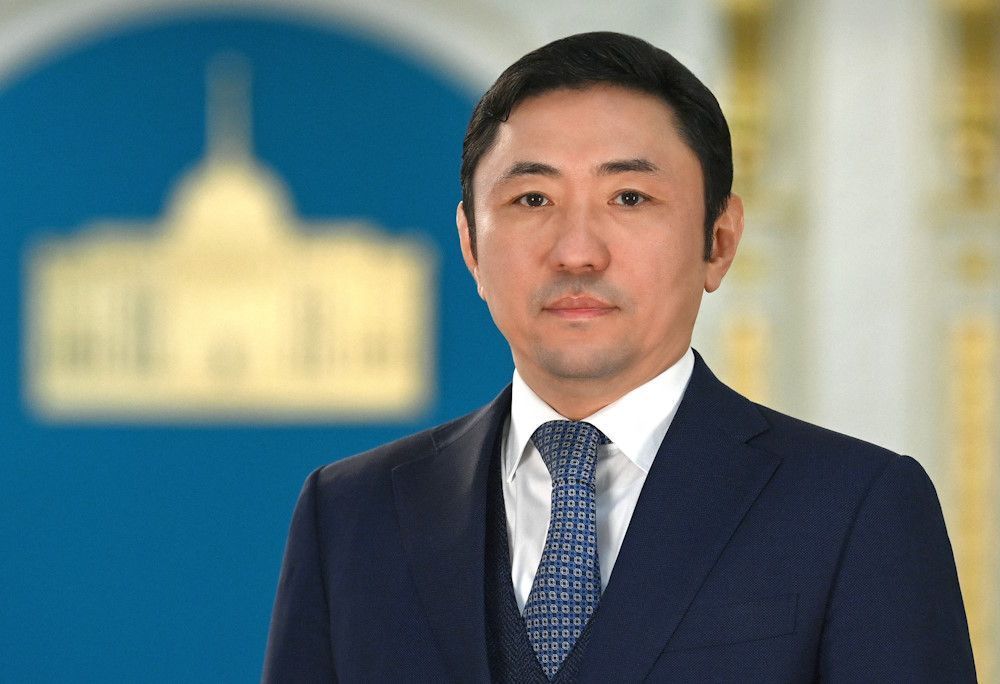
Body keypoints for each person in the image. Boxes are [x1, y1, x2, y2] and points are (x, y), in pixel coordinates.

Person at [263, 32, 976, 682]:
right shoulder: (350, 516)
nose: (577, 252)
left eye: (629, 197)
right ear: (471, 245)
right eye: (532, 198)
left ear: (719, 240)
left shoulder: (856, 509)